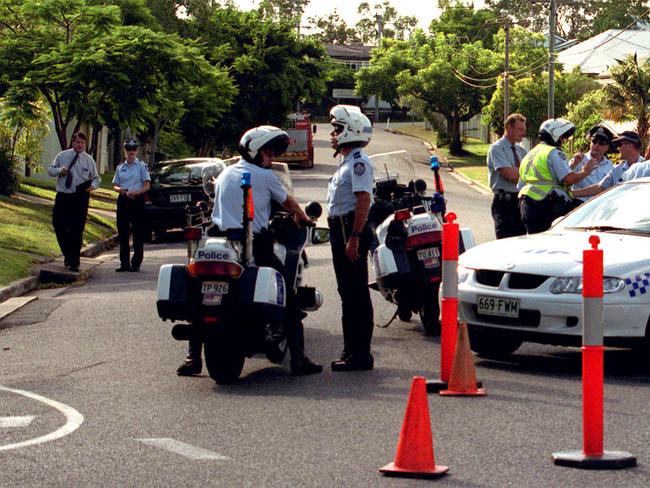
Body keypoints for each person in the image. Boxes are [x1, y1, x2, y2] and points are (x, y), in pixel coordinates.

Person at [177, 125, 322, 377]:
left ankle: (193, 358)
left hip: (217, 242)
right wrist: (303, 218)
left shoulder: (224, 174)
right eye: (268, 152)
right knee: (286, 292)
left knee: (202, 293)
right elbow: (288, 202)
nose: (271, 157)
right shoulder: (265, 176)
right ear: (255, 151)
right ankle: (298, 358)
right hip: (253, 242)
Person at [326, 105, 375, 372]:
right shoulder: (346, 161)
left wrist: (354, 237)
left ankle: (361, 354)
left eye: (338, 129)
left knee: (356, 291)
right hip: (340, 228)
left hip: (349, 229)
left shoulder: (358, 163)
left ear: (351, 131)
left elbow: (363, 201)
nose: (333, 134)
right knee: (347, 292)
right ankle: (351, 350)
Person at [518, 118, 597, 234]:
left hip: (526, 205)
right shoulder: (553, 152)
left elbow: (520, 185)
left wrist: (573, 164)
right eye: (562, 137)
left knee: (534, 242)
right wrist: (585, 171)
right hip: (545, 205)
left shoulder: (531, 153)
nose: (563, 141)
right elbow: (568, 179)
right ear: (554, 135)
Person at [47, 132, 100, 272]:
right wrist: (60, 170)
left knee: (77, 229)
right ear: (73, 142)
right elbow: (50, 171)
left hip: (80, 197)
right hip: (64, 196)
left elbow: (96, 178)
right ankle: (67, 253)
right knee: (59, 225)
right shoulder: (62, 156)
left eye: (83, 143)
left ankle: (74, 261)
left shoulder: (89, 160)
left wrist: (92, 186)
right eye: (77, 142)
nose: (80, 145)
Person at [112, 138, 151, 272]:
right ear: (125, 151)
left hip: (137, 200)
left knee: (138, 232)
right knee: (123, 232)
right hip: (124, 200)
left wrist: (137, 192)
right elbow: (115, 185)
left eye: (134, 149)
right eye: (129, 149)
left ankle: (136, 262)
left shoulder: (141, 166)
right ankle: (124, 263)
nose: (131, 151)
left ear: (137, 150)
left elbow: (147, 185)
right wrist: (120, 190)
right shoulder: (120, 167)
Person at [487, 113, 528, 239]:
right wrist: (523, 173)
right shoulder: (496, 148)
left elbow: (529, 174)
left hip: (520, 201)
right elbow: (509, 175)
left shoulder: (521, 151)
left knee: (520, 241)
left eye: (524, 130)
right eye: (520, 129)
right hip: (504, 202)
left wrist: (518, 171)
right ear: (509, 128)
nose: (523, 133)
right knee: (505, 242)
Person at [573, 131, 645, 198]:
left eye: (620, 145)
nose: (618, 148)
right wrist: (572, 193)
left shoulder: (646, 167)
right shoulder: (617, 169)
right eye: (594, 142)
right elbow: (600, 187)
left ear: (630, 145)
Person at [569, 125, 614, 202]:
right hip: (578, 203)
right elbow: (565, 178)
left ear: (607, 147)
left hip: (599, 206)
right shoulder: (579, 159)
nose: (597, 145)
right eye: (594, 141)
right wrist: (573, 165)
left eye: (601, 143)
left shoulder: (609, 165)